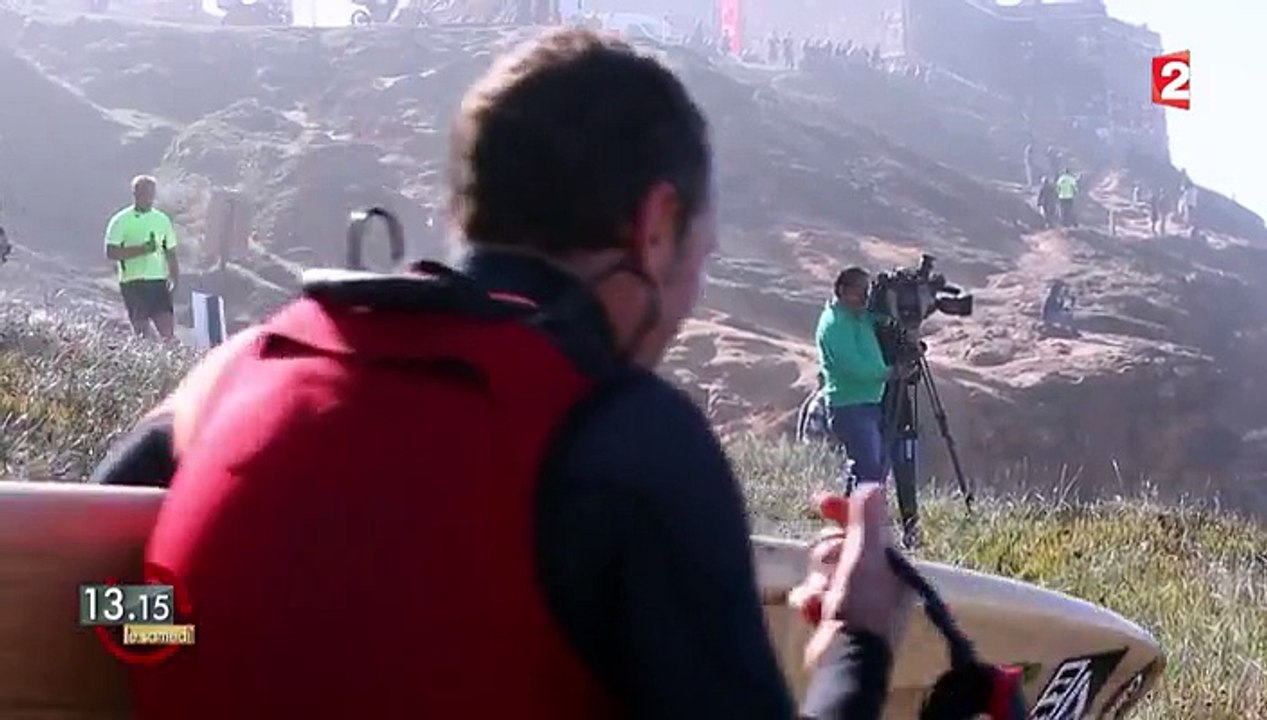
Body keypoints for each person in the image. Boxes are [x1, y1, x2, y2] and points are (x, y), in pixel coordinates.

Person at [90, 29, 912, 719]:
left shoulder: (237, 375)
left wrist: (209, 631)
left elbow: (90, 595)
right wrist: (855, 644)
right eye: (703, 241)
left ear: (466, 212)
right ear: (656, 226)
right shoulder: (627, 442)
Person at [816, 268, 902, 493]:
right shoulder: (835, 323)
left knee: (869, 471)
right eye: (859, 292)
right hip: (850, 405)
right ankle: (863, 523)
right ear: (842, 291)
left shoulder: (858, 316)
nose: (865, 298)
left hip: (867, 403)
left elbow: (879, 319)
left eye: (867, 291)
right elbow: (853, 366)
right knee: (869, 473)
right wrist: (890, 373)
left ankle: (851, 519)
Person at [104, 175, 180, 339]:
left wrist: (175, 277)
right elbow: (111, 252)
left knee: (168, 333)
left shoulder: (161, 220)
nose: (149, 198)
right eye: (145, 193)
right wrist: (143, 249)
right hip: (133, 283)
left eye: (152, 194)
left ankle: (173, 362)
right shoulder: (121, 220)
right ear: (135, 194)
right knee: (142, 334)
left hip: (158, 282)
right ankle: (146, 362)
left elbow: (170, 251)